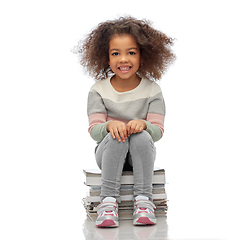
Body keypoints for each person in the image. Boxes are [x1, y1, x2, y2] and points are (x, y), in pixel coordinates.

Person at [75, 16, 175, 227]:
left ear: (143, 56)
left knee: (140, 136)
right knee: (117, 137)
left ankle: (143, 201)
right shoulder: (98, 90)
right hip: (109, 152)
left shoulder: (153, 90)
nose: (123, 59)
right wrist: (110, 125)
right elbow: (94, 131)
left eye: (131, 52)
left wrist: (144, 125)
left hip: (141, 153)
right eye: (115, 53)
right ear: (106, 58)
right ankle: (108, 201)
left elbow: (157, 132)